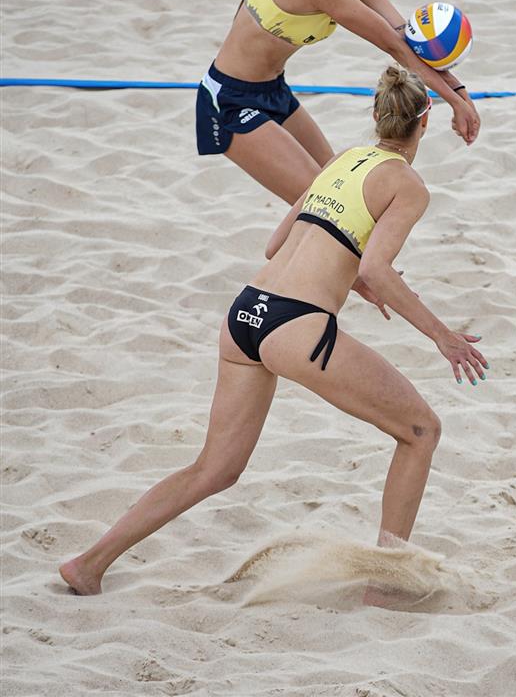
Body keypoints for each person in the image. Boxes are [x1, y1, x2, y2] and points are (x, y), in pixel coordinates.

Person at [60, 66, 489, 597]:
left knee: (214, 469)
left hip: (245, 314)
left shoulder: (342, 160)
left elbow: (275, 246)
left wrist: (351, 276)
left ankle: (89, 564)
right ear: (424, 122)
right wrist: (443, 336)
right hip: (296, 325)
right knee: (420, 431)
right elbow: (377, 269)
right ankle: (387, 585)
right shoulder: (408, 185)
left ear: (377, 115)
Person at [196, 0, 480, 203]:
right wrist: (455, 102)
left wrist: (460, 93)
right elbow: (393, 47)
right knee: (321, 206)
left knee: (337, 194)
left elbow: (404, 39)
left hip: (273, 91)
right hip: (227, 100)